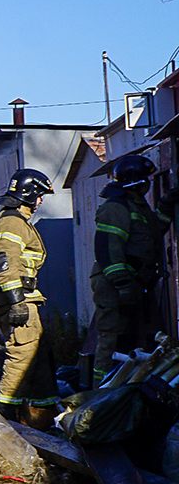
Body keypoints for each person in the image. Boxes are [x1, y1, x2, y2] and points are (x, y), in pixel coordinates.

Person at [89, 153, 172, 383]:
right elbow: (108, 251)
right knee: (113, 341)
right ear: (137, 181)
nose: (149, 182)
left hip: (135, 284)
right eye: (147, 178)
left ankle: (128, 392)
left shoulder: (137, 205)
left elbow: (151, 234)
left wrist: (166, 206)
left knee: (140, 340)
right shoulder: (115, 207)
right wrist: (124, 286)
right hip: (114, 286)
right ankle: (100, 396)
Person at [0, 168, 56, 422]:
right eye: (39, 196)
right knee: (22, 354)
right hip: (18, 300)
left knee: (38, 356)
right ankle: (4, 417)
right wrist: (16, 301)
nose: (40, 202)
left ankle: (43, 414)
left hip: (25, 298)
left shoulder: (15, 221)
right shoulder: (12, 222)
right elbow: (3, 261)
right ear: (28, 194)